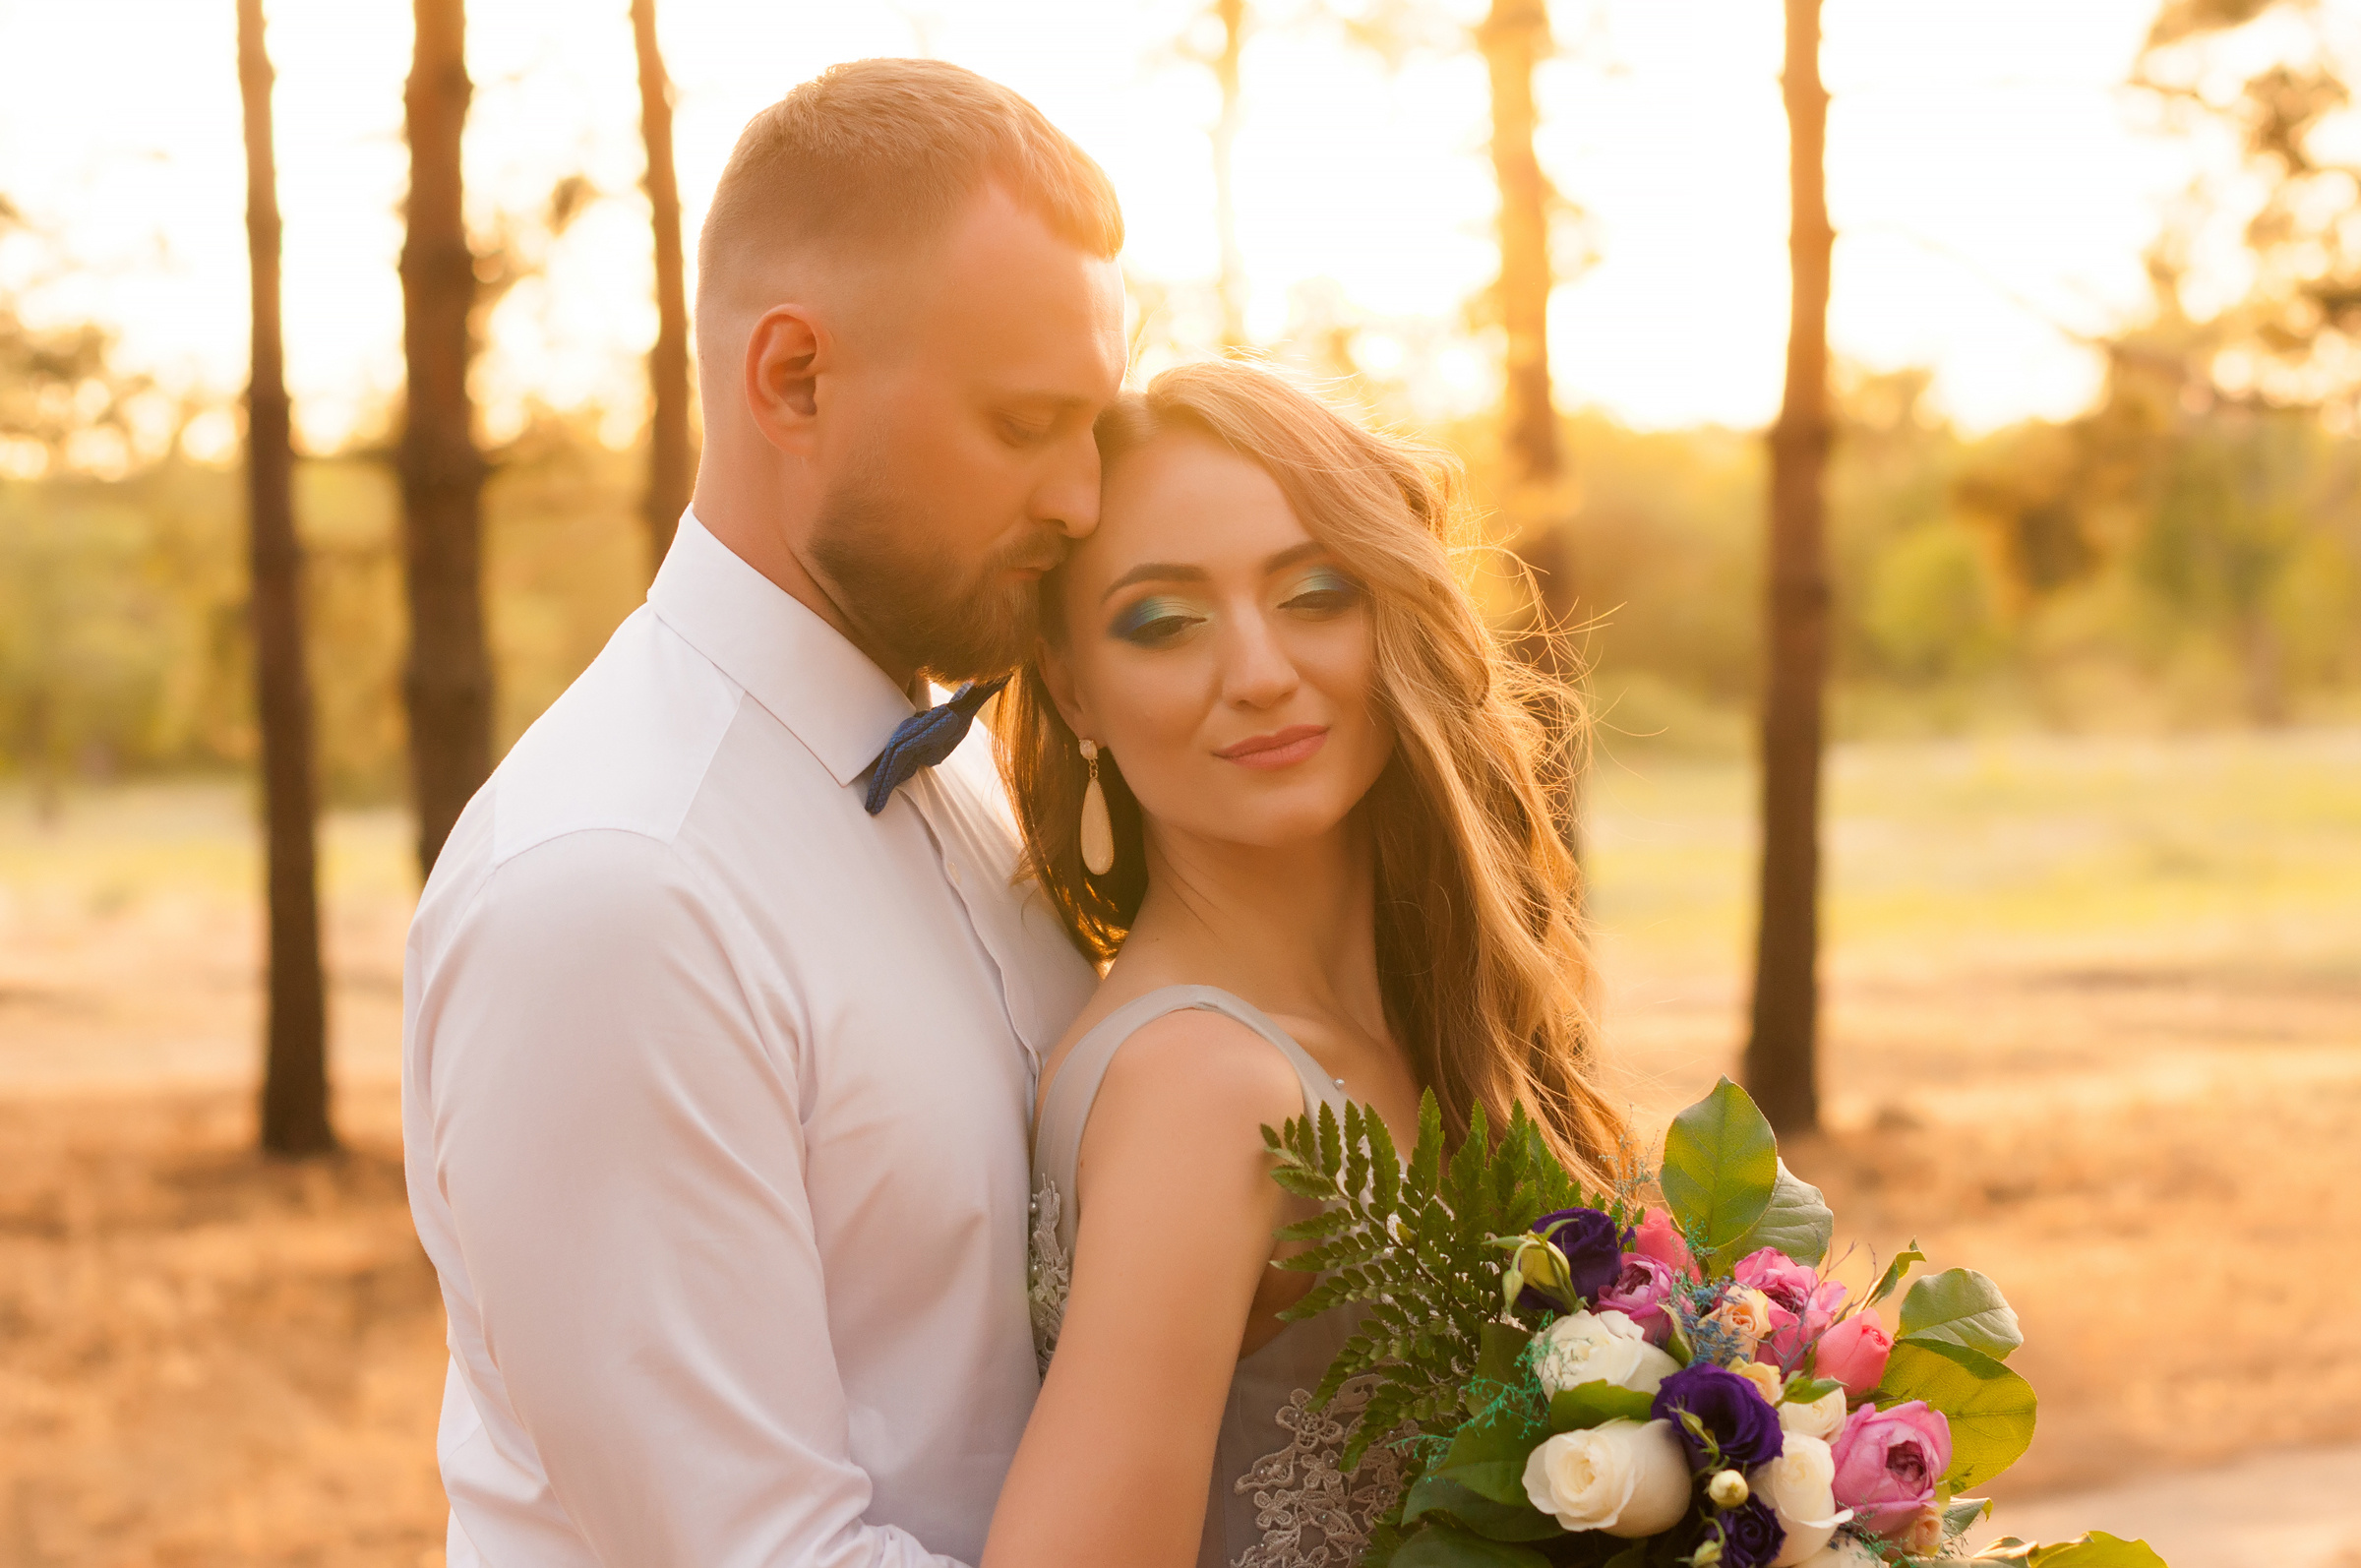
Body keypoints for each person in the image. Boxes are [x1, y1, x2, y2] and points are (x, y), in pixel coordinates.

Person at [401, 60, 1125, 1566]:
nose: (1081, 498)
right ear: (793, 377)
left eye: (1096, 431)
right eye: (1024, 423)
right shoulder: (617, 889)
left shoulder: (969, 767)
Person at [982, 360, 1628, 1568]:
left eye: (1315, 593)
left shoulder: (1429, 1017)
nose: (1261, 671)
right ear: (1073, 688)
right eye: (1164, 621)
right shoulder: (1201, 1093)